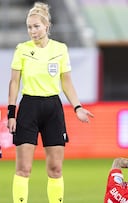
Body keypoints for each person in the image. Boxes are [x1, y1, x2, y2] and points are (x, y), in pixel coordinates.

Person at [6, 2, 94, 203]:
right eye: (29, 27)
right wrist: (11, 114)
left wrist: (77, 107)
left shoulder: (60, 49)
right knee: (23, 169)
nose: (32, 31)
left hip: (53, 109)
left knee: (55, 169)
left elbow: (66, 82)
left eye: (36, 26)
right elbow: (14, 83)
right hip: (28, 108)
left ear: (47, 26)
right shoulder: (22, 49)